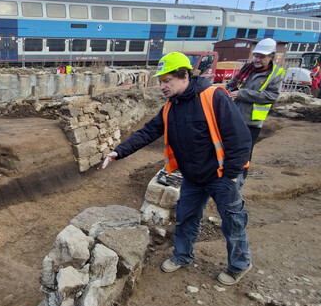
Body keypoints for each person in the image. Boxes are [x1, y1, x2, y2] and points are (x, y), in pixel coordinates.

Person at [101, 52, 253, 286]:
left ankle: (239, 265)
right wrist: (118, 152)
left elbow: (240, 139)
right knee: (186, 218)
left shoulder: (213, 97)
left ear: (184, 76)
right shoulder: (172, 106)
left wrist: (233, 174)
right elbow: (148, 132)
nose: (162, 86)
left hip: (222, 176)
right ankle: (182, 255)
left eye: (166, 81)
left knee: (233, 221)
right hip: (192, 176)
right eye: (161, 81)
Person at [226, 38, 285, 150]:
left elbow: (272, 96)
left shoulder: (275, 74)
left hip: (252, 122)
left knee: (244, 152)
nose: (257, 60)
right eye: (256, 56)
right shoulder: (247, 68)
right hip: (234, 116)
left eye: (262, 57)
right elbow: (230, 86)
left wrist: (242, 94)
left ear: (271, 57)